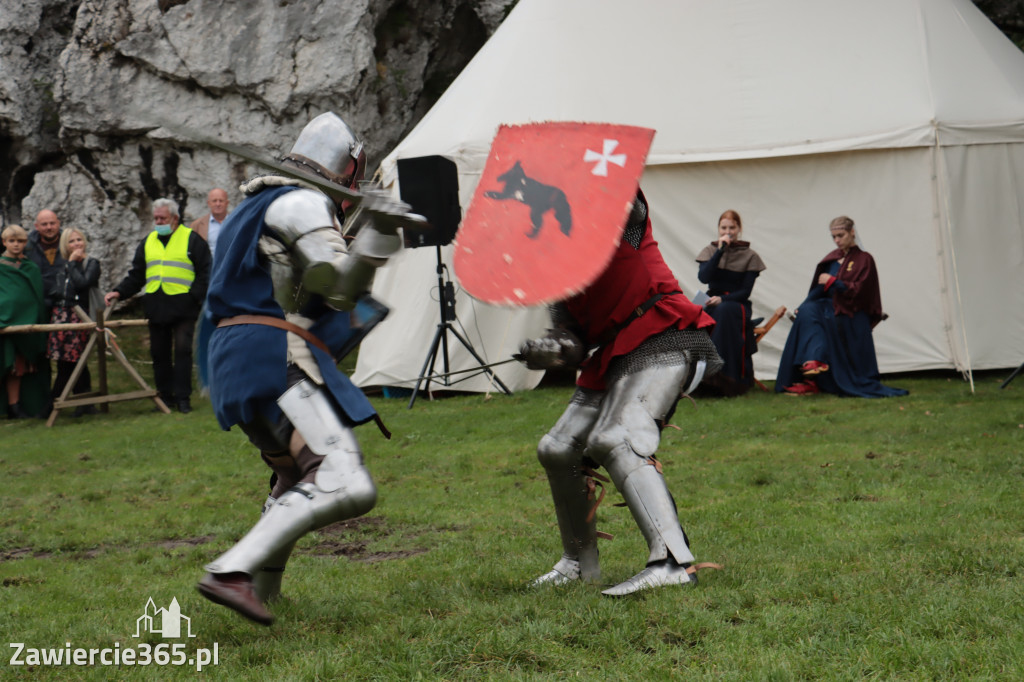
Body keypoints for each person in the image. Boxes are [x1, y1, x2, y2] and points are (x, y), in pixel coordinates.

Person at [196, 112, 411, 625]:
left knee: (292, 475)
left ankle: (264, 593)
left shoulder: (255, 207)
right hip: (272, 356)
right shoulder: (302, 202)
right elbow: (338, 285)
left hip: (236, 358)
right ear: (350, 166)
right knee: (344, 479)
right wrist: (379, 232)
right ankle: (232, 572)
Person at [518, 188, 723, 597]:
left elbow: (629, 207)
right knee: (557, 447)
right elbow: (573, 338)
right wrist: (554, 349)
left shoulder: (615, 215)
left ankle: (671, 562)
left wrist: (584, 187)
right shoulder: (556, 265)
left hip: (661, 333)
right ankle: (579, 563)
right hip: (613, 356)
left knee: (616, 436)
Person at [775, 216, 907, 398]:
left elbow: (861, 291)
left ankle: (815, 362)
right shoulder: (832, 259)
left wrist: (834, 282)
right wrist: (802, 305)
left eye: (841, 235)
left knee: (816, 316)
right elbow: (819, 290)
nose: (837, 240)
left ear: (852, 233)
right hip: (826, 306)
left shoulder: (864, 259)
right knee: (806, 312)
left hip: (850, 310)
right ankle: (813, 366)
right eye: (834, 237)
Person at [104, 199, 211, 413]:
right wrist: (120, 291)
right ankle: (165, 398)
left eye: (162, 218)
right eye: (156, 218)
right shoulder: (147, 242)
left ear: (175, 219)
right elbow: (137, 275)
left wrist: (194, 297)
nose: (158, 222)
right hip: (157, 306)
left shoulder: (193, 240)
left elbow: (206, 272)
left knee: (182, 352)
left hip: (183, 307)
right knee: (159, 354)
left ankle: (183, 399)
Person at [695, 210, 766, 396]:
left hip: (736, 304)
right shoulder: (710, 250)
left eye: (732, 227)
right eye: (724, 227)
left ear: (739, 229)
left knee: (724, 311)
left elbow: (745, 292)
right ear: (718, 229)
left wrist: (723, 299)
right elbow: (704, 278)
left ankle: (724, 378)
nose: (728, 231)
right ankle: (699, 379)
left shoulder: (750, 255)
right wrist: (719, 251)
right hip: (712, 302)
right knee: (691, 316)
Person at [47, 227, 101, 415]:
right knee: (66, 362)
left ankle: (52, 405)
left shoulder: (92, 263)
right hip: (62, 315)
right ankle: (84, 403)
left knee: (74, 360)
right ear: (65, 245)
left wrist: (72, 265)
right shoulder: (59, 265)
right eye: (71, 241)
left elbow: (84, 283)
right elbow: (58, 290)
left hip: (80, 315)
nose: (76, 244)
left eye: (79, 239)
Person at [0, 225, 49, 419]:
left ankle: (19, 406)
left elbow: (35, 296)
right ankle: (11, 406)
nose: (16, 245)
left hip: (28, 325)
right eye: (12, 241)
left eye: (20, 241)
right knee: (7, 363)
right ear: (4, 242)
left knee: (21, 366)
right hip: (5, 324)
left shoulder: (31, 267)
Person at [189, 188, 230, 259]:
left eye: (221, 201)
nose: (218, 204)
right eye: (214, 201)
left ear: (227, 203)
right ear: (209, 203)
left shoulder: (237, 223)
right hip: (208, 267)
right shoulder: (196, 225)